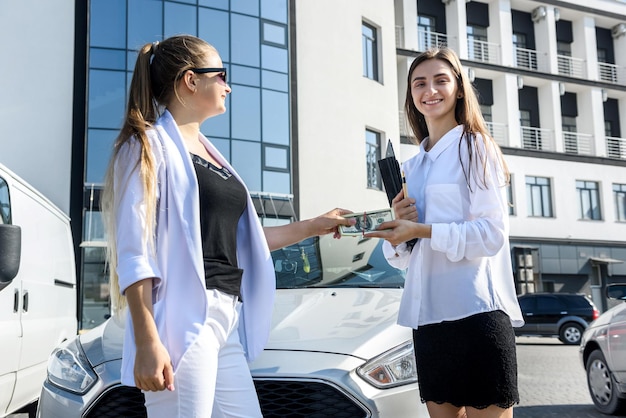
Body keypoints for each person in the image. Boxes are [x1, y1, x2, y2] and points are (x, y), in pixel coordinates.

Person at [101, 34, 354, 418]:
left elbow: (244, 243)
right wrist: (148, 339)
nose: (228, 85)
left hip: (226, 318)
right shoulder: (146, 146)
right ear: (190, 80)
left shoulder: (212, 156)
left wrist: (314, 226)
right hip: (182, 321)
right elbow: (135, 252)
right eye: (220, 75)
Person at [365, 47, 524, 418]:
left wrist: (420, 227)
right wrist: (398, 232)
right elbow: (405, 257)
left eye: (441, 80)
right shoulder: (410, 166)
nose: (430, 90)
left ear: (459, 89)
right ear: (411, 95)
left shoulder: (476, 148)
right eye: (419, 83)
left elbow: (492, 234)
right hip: (429, 320)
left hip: (478, 313)